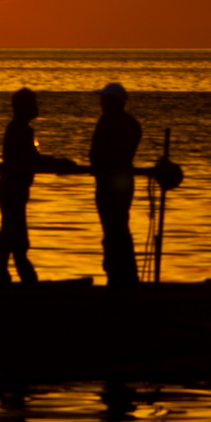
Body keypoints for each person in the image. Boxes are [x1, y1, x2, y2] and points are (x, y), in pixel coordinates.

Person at [0, 87, 75, 286]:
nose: (37, 107)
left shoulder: (19, 129)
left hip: (13, 189)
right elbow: (31, 159)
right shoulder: (19, 130)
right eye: (33, 104)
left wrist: (55, 162)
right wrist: (57, 163)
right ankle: (28, 282)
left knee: (8, 236)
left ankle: (0, 278)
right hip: (13, 190)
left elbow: (32, 158)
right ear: (23, 108)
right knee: (17, 238)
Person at [89, 81, 144, 287]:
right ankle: (128, 275)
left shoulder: (106, 122)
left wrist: (100, 166)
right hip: (125, 183)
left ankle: (115, 275)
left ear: (113, 101)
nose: (101, 103)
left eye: (104, 99)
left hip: (107, 184)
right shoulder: (133, 125)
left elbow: (95, 153)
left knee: (112, 230)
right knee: (121, 227)